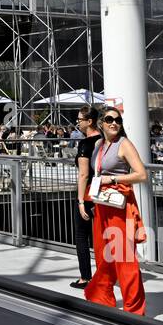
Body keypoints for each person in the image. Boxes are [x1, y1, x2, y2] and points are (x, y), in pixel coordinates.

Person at [82, 108, 148, 315]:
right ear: (101, 123)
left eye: (117, 120)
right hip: (102, 206)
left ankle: (134, 308)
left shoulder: (124, 144)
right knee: (104, 256)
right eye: (109, 119)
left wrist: (114, 179)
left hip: (119, 207)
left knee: (124, 258)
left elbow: (141, 175)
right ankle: (103, 297)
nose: (114, 123)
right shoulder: (100, 145)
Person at [71, 106, 102, 290]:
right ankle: (103, 273)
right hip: (101, 194)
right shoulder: (103, 140)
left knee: (82, 236)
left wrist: (80, 201)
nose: (78, 123)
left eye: (80, 120)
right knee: (99, 237)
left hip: (88, 193)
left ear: (89, 121)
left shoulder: (86, 144)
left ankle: (85, 277)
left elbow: (83, 175)